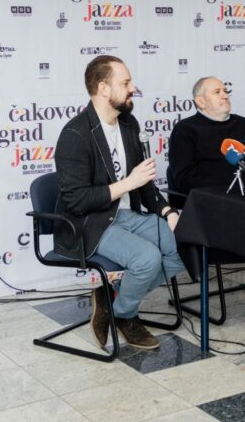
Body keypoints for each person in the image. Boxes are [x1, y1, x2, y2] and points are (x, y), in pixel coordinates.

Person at [54, 55, 186, 351]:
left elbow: (145, 182)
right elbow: (76, 201)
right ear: (103, 88)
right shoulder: (75, 135)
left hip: (128, 216)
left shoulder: (128, 124)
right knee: (147, 259)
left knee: (185, 243)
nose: (133, 88)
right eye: (125, 83)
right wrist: (128, 183)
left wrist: (168, 211)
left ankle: (114, 302)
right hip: (92, 223)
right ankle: (126, 316)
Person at [168, 76, 245, 197]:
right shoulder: (185, 130)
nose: (225, 96)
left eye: (225, 91)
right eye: (217, 92)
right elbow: (184, 180)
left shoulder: (244, 125)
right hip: (210, 198)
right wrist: (230, 186)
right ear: (201, 101)